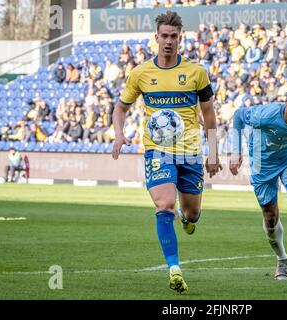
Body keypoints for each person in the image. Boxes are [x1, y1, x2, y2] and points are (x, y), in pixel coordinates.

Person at [111, 11, 221, 294]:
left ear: (180, 38)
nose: (169, 41)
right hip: (158, 151)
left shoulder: (197, 72)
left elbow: (209, 114)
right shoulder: (141, 73)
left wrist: (213, 153)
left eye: (174, 36)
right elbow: (121, 107)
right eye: (164, 36)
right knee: (164, 205)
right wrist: (120, 133)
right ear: (156, 38)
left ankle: (189, 219)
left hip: (190, 153)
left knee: (192, 212)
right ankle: (174, 269)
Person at [229, 78, 287, 281]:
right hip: (262, 162)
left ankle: (282, 258)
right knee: (270, 217)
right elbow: (238, 116)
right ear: (286, 100)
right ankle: (282, 259)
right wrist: (235, 151)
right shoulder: (265, 114)